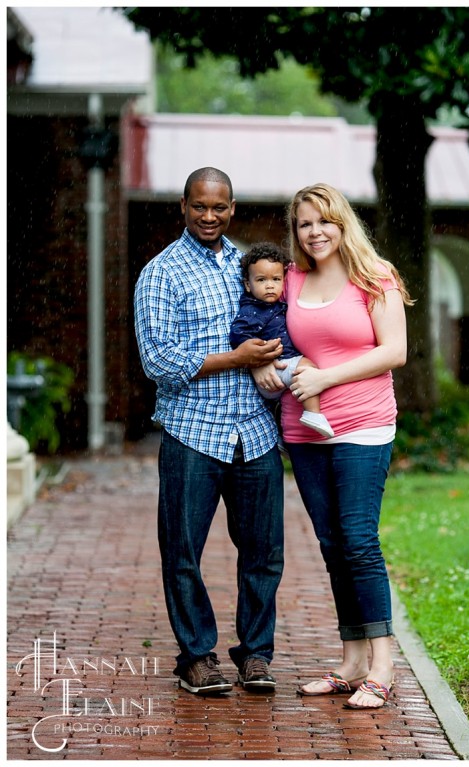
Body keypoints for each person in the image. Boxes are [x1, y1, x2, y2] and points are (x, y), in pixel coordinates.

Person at [257, 182, 411, 708]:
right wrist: (267, 369)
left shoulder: (375, 276)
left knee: (358, 539)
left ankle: (383, 666)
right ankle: (350, 662)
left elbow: (395, 351)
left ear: (343, 223)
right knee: (330, 544)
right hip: (305, 430)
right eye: (304, 223)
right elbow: (271, 339)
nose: (315, 231)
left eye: (324, 220)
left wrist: (325, 379)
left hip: (364, 424)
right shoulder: (291, 280)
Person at [134, 167, 286, 695]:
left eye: (219, 207)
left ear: (232, 208)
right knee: (182, 551)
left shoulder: (248, 265)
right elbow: (158, 361)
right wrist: (235, 358)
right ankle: (196, 656)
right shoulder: (161, 273)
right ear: (183, 206)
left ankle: (256, 655)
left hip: (255, 433)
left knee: (264, 552)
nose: (209, 216)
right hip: (193, 433)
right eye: (200, 206)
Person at [229, 241, 335, 438]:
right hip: (276, 368)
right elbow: (238, 334)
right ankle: (313, 414)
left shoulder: (277, 304)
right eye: (261, 280)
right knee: (307, 367)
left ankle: (279, 434)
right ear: (247, 285)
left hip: (279, 371)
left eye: (276, 279)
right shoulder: (252, 310)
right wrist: (260, 358)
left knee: (284, 398)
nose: (270, 285)